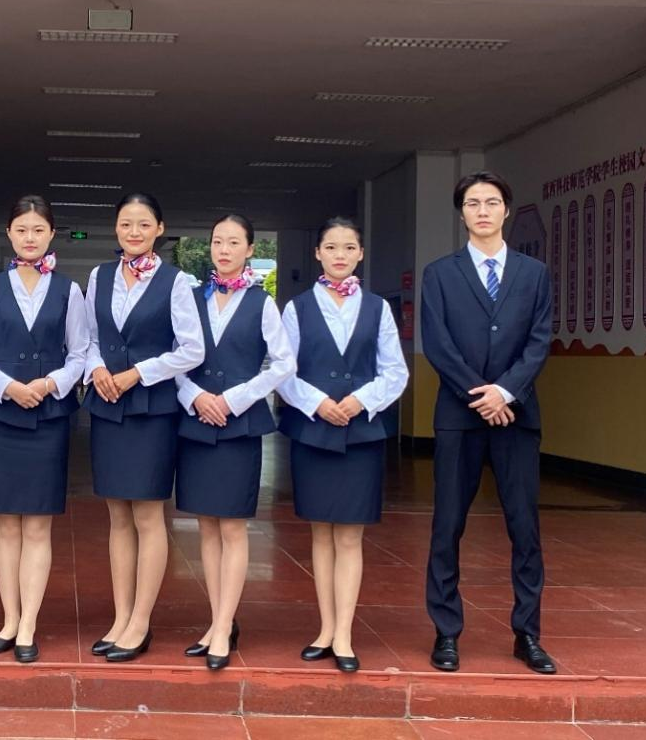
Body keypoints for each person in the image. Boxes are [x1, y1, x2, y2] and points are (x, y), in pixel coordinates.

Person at [422, 171, 555, 675]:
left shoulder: (534, 273)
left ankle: (528, 633)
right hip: (459, 417)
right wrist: (481, 396)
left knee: (525, 528)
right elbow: (438, 343)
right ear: (462, 213)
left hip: (516, 416)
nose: (483, 210)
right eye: (473, 203)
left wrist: (505, 392)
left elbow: (539, 340)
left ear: (506, 210)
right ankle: (446, 632)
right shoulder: (440, 274)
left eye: (492, 202)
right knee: (447, 526)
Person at [277, 217, 408, 673]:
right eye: (330, 247)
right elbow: (283, 369)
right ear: (317, 253)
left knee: (350, 536)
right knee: (320, 532)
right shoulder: (296, 309)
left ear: (360, 254)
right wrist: (317, 403)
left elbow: (395, 371)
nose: (339, 255)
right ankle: (325, 629)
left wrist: (359, 401)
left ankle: (346, 634)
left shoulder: (377, 308)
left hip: (361, 433)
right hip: (313, 431)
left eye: (348, 247)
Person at [84, 193, 205, 662]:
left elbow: (191, 349)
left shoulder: (176, 282)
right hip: (108, 407)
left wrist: (139, 373)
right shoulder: (99, 276)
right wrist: (96, 368)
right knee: (117, 516)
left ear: (160, 229)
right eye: (125, 223)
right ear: (116, 228)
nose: (133, 232)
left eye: (143, 224)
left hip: (152, 409)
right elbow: (89, 338)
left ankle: (140, 621)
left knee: (148, 517)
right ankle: (120, 617)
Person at [0, 195, 89, 664]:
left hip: (48, 414)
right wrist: (8, 387)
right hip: (2, 413)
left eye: (38, 230)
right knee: (6, 525)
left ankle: (29, 625)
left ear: (52, 234)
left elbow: (80, 353)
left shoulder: (69, 290)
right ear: (9, 234)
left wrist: (49, 383)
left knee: (37, 525)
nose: (30, 238)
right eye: (21, 230)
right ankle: (9, 618)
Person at [174, 213, 296, 671]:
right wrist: (195, 396)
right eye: (217, 242)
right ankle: (215, 620)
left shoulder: (262, 303)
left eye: (233, 243)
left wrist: (235, 399)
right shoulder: (190, 298)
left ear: (250, 250)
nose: (223, 250)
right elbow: (174, 358)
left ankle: (225, 626)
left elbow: (282, 363)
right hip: (197, 421)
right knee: (206, 526)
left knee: (232, 527)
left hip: (239, 424)